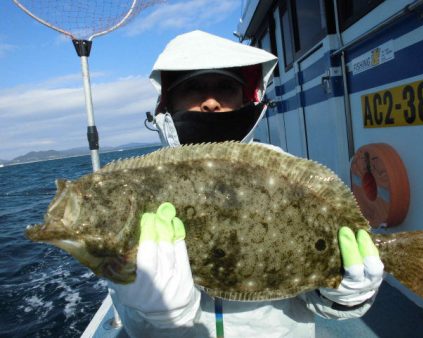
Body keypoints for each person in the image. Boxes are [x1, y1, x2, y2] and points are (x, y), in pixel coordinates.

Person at [108, 30, 384, 338]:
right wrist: (155, 316)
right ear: (167, 102)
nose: (211, 102)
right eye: (193, 87)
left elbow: (316, 299)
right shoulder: (144, 184)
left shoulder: (281, 172)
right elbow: (128, 309)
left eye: (225, 87)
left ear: (246, 98)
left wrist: (343, 295)